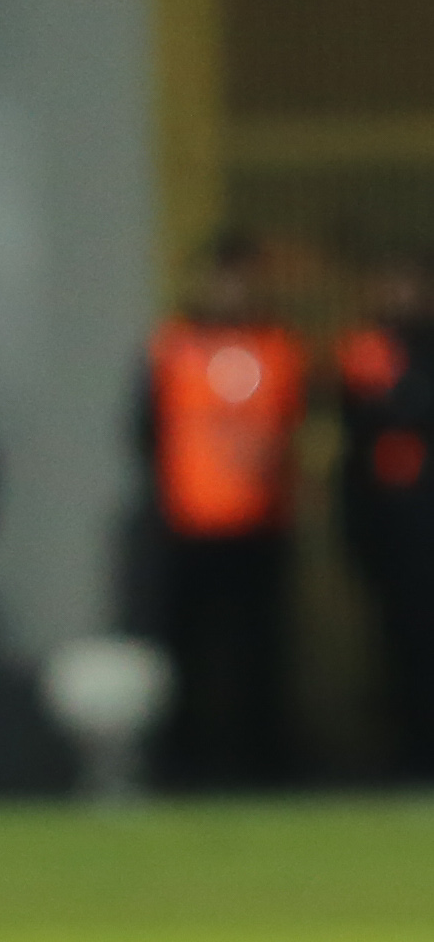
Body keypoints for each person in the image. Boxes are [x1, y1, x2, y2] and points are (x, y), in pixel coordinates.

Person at [144, 241, 305, 787]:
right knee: (187, 652)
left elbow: (291, 428)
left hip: (261, 525)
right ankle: (184, 766)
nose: (232, 293)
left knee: (260, 651)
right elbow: (146, 433)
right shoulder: (172, 346)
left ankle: (262, 765)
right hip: (188, 525)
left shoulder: (278, 346)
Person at [338, 256, 434, 777]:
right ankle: (409, 753)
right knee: (402, 643)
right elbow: (372, 422)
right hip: (396, 526)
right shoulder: (367, 350)